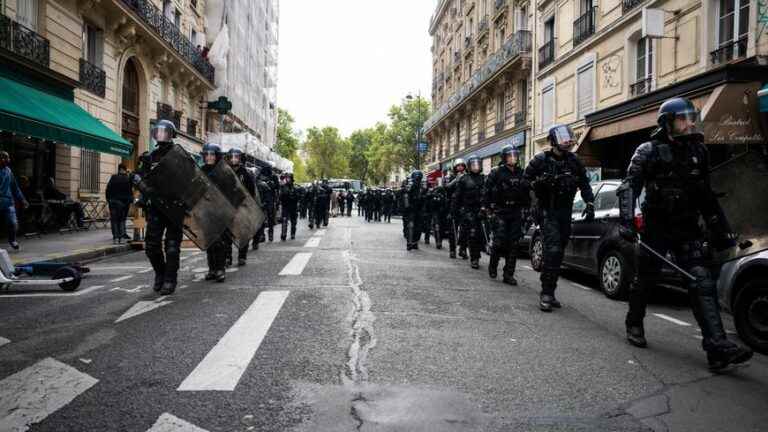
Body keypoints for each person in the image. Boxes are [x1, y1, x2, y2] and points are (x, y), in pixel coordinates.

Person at [616, 97, 752, 371]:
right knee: (645, 280)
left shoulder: (699, 152)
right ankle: (634, 323)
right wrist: (627, 222)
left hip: (687, 226)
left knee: (701, 281)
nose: (690, 123)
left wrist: (721, 230)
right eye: (683, 118)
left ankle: (717, 348)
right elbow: (629, 187)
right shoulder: (648, 151)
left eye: (692, 117)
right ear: (668, 123)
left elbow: (705, 195)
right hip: (657, 228)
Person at [525, 124, 595, 312]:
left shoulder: (575, 161)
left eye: (569, 137)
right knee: (553, 250)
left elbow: (585, 184)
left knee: (559, 252)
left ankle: (551, 291)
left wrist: (590, 203)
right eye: (563, 137)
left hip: (565, 213)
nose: (567, 140)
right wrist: (538, 189)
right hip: (547, 211)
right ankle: (546, 293)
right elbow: (525, 183)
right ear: (554, 140)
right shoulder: (540, 160)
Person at [136, 120, 184, 295]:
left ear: (171, 134)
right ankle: (160, 273)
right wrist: (137, 179)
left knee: (172, 247)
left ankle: (170, 279)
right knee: (151, 246)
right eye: (159, 131)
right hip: (155, 206)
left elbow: (189, 181)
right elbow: (142, 179)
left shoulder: (179, 155)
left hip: (174, 207)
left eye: (165, 132)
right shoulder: (150, 157)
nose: (162, 135)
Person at [483, 145, 531, 285]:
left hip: (515, 211)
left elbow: (526, 192)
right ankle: (493, 266)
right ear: (504, 158)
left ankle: (508, 274)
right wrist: (486, 208)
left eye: (515, 156)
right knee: (499, 242)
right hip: (500, 211)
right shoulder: (496, 172)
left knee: (514, 244)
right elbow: (487, 191)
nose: (513, 158)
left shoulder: (521, 173)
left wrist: (527, 209)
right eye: (510, 156)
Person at [452, 155, 486, 269]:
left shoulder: (484, 179)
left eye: (478, 164)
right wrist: (454, 210)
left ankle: (479, 252)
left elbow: (489, 194)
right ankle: (474, 258)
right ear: (470, 166)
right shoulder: (464, 179)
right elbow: (457, 197)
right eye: (473, 164)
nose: (476, 167)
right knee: (472, 233)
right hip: (468, 210)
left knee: (480, 234)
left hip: (481, 210)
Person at [200, 143, 226, 283]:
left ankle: (220, 269)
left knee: (219, 242)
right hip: (205, 210)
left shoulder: (223, 171)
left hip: (220, 210)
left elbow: (232, 190)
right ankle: (212, 269)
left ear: (217, 157)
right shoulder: (201, 170)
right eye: (207, 154)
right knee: (209, 241)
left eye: (212, 154)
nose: (209, 157)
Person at [225, 147, 256, 266]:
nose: (233, 159)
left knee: (243, 233)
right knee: (227, 233)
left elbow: (251, 191)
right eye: (232, 157)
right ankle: (227, 257)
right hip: (228, 206)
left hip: (242, 207)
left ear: (240, 158)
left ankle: (242, 256)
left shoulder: (246, 174)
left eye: (236, 157)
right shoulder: (225, 171)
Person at [0, 151, 28, 250]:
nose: (8, 160)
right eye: (5, 158)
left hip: (8, 201)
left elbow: (15, 187)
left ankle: (12, 240)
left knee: (12, 222)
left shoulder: (9, 171)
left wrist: (23, 199)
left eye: (8, 158)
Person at [106, 164, 133, 244]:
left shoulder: (113, 177)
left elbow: (108, 189)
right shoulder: (127, 179)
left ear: (119, 169)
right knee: (121, 220)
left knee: (114, 220)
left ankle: (115, 238)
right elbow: (129, 192)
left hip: (113, 202)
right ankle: (121, 237)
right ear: (123, 169)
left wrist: (109, 200)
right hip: (123, 203)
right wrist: (128, 202)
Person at [446, 158, 467, 259]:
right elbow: (447, 188)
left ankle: (462, 249)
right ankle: (452, 250)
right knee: (452, 229)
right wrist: (456, 180)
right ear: (455, 167)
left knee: (464, 229)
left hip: (464, 205)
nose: (460, 167)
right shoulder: (451, 177)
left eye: (462, 165)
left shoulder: (467, 176)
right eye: (458, 166)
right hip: (454, 206)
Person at [402, 170, 426, 250]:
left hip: (419, 208)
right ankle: (409, 242)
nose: (417, 178)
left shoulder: (422, 187)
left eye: (418, 177)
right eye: (416, 177)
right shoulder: (410, 185)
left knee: (419, 227)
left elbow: (425, 196)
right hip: (411, 208)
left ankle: (415, 242)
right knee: (411, 226)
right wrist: (407, 206)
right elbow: (406, 195)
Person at [254, 168, 276, 250]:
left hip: (269, 200)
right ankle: (262, 235)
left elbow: (275, 189)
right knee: (262, 219)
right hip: (262, 200)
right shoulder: (258, 179)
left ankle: (269, 234)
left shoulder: (272, 179)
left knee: (269, 218)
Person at [280, 173, 299, 241]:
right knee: (284, 220)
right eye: (287, 178)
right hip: (285, 206)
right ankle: (283, 234)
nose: (288, 179)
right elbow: (280, 197)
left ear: (291, 179)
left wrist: (293, 197)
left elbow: (297, 197)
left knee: (293, 221)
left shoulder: (295, 188)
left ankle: (292, 234)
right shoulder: (283, 187)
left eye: (289, 178)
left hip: (293, 206)